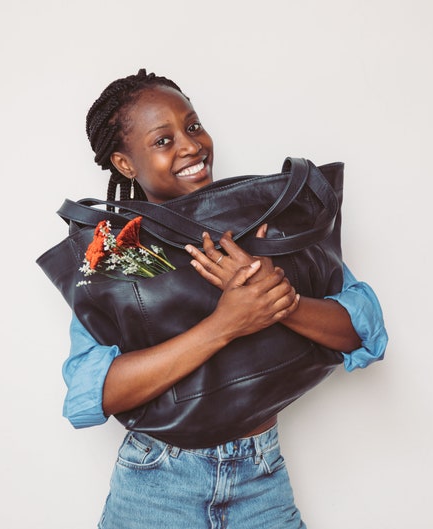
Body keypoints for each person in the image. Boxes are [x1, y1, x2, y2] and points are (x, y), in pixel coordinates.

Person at [61, 69, 387, 529]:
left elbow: (364, 333)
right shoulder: (118, 256)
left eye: (193, 127)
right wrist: (226, 323)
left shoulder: (267, 221)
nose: (191, 146)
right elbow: (89, 396)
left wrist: (280, 300)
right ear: (125, 164)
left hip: (262, 479)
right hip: (156, 487)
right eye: (162, 140)